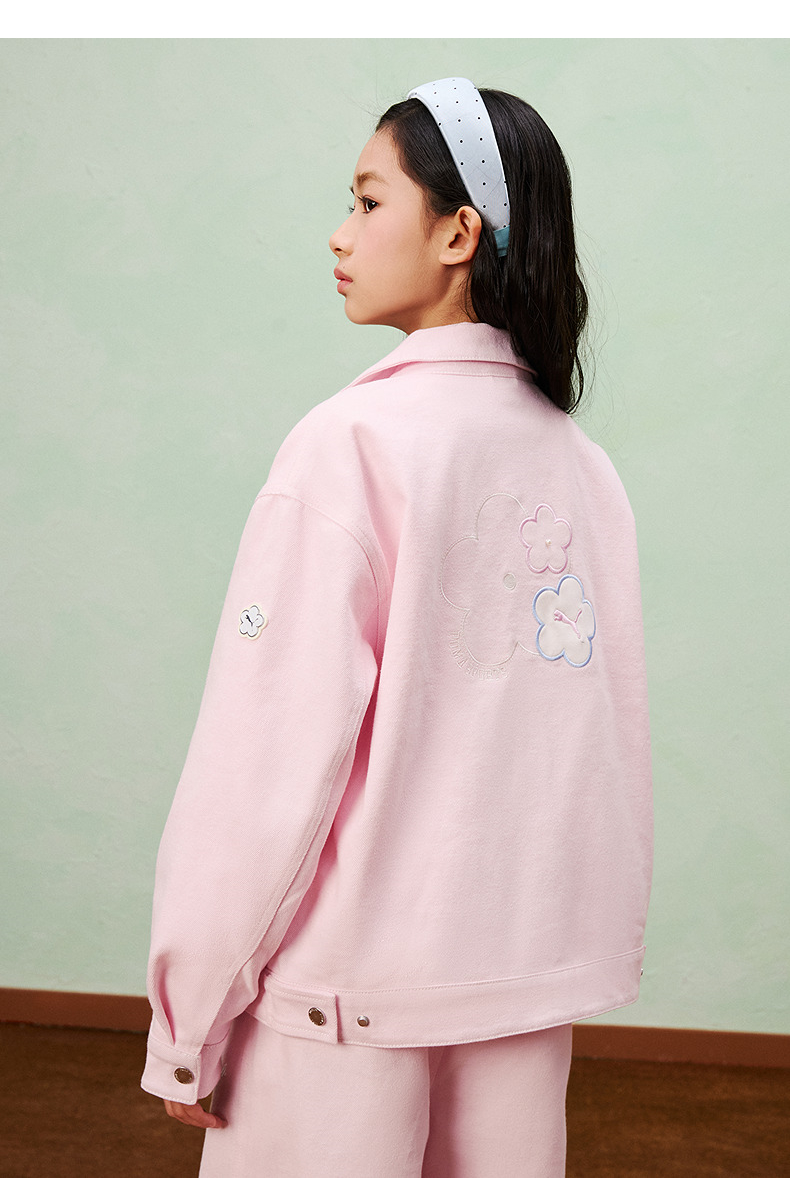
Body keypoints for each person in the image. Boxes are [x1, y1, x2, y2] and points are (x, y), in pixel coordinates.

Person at [141, 77, 653, 1177]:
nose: (341, 233)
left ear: (458, 232)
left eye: (369, 201)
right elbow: (593, 753)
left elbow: (262, 768)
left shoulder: (350, 446)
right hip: (516, 994)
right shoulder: (581, 466)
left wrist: (189, 1024)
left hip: (340, 1012)